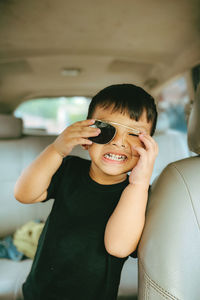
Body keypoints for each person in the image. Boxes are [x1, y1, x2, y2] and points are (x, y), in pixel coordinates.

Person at [14, 83, 158, 300]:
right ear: (87, 138)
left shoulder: (138, 195)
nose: (119, 142)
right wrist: (56, 149)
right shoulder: (68, 169)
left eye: (134, 134)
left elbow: (118, 247)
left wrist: (139, 183)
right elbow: (24, 194)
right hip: (37, 292)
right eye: (108, 129)